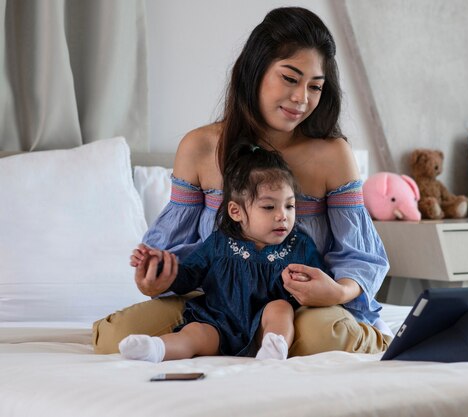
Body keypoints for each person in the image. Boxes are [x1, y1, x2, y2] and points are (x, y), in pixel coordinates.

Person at [92, 6, 392, 356]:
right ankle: (225, 338)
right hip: (216, 302)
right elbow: (178, 251)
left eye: (315, 87)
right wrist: (156, 278)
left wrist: (338, 293)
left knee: (327, 336)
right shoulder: (200, 147)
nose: (302, 99)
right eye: (290, 78)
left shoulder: (333, 154)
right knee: (114, 338)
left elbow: (360, 256)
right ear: (255, 70)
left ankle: (357, 337)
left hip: (299, 306)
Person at [119, 145, 325, 362]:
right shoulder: (219, 243)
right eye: (268, 207)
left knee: (279, 308)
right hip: (217, 323)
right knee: (194, 334)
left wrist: (307, 280)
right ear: (236, 211)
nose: (282, 216)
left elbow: (321, 281)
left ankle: (274, 350)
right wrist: (160, 268)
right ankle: (156, 348)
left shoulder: (299, 245)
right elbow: (189, 276)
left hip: (262, 330)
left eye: (289, 206)